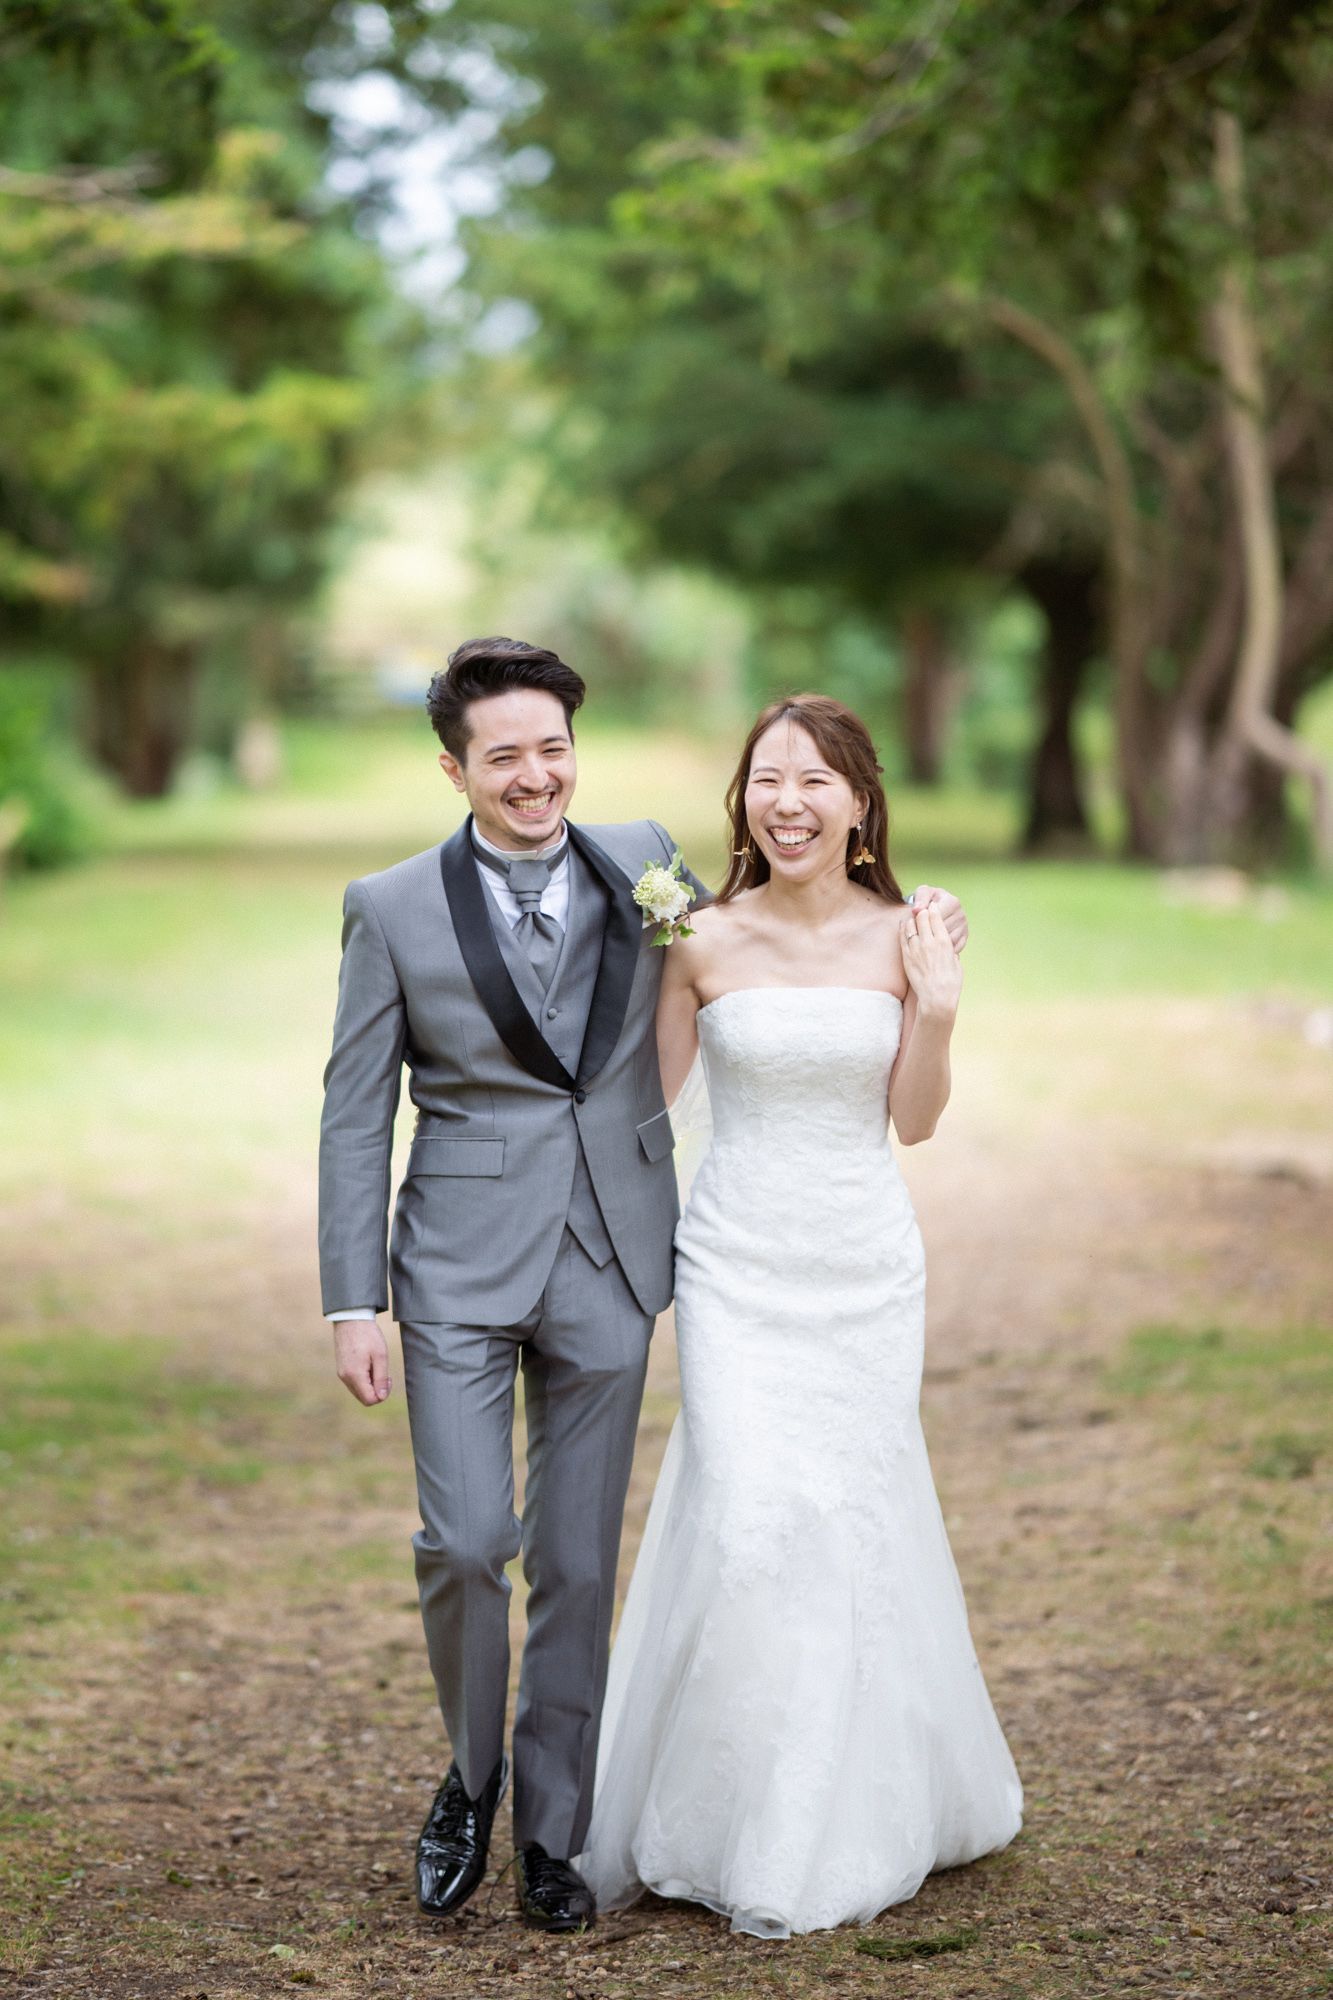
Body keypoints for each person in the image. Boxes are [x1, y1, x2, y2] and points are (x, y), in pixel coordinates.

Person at [318, 641, 970, 1932]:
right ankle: (471, 1776)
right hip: (454, 1261)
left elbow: (729, 990)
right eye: (503, 755)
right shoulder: (388, 906)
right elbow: (352, 1110)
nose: (534, 775)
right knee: (468, 1542)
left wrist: (929, 974)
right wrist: (353, 1298)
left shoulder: (644, 867)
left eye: (553, 748)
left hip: (616, 1258)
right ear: (453, 767)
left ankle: (552, 1833)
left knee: (576, 1558)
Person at [578, 693, 1022, 1937]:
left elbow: (914, 1120)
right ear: (742, 803)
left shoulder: (909, 934)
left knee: (845, 1518)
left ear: (860, 803)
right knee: (749, 1517)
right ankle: (727, 1808)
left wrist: (936, 1007)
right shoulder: (698, 937)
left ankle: (838, 1813)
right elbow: (637, 1112)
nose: (787, 802)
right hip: (735, 1263)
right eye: (766, 779)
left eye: (814, 780)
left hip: (862, 1264)